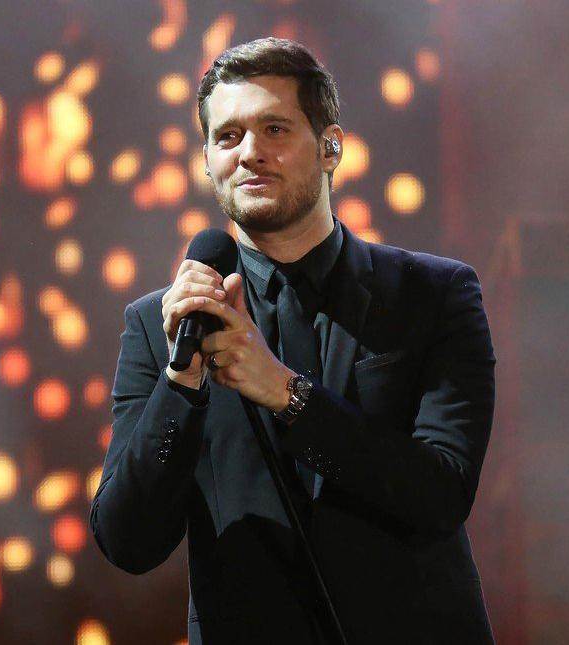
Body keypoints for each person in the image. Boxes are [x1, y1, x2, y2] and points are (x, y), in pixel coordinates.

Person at [90, 37, 496, 644]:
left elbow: (441, 493)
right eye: (228, 137)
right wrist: (182, 384)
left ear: (331, 147)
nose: (249, 152)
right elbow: (128, 542)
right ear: (207, 161)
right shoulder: (159, 327)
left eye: (274, 129)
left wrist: (286, 392)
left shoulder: (432, 294)